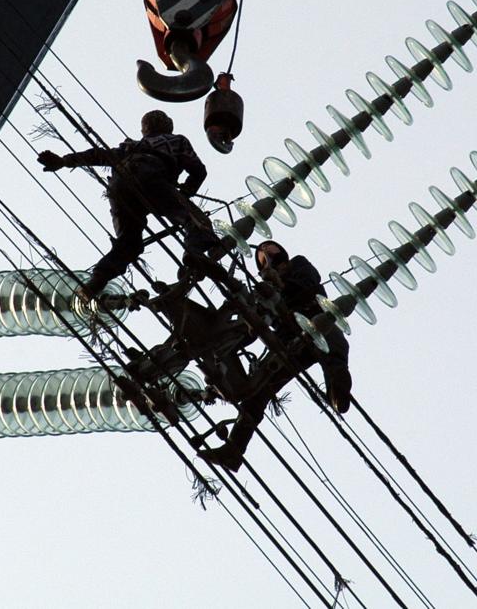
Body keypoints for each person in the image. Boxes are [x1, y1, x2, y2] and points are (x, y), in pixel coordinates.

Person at [198, 240, 352, 472]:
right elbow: (257, 319)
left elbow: (308, 283)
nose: (265, 253)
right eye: (260, 255)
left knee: (334, 351)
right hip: (288, 341)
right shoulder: (264, 290)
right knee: (258, 391)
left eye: (268, 249)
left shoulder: (297, 264)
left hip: (315, 320)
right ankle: (234, 450)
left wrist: (280, 284)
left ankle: (338, 394)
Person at [37, 110, 215, 297]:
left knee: (129, 242)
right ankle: (194, 254)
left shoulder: (132, 146)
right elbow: (198, 171)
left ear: (144, 129)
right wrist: (185, 192)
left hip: (121, 184)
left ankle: (97, 280)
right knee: (196, 220)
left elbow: (100, 155)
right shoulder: (177, 141)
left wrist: (64, 161)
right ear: (168, 126)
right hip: (152, 176)